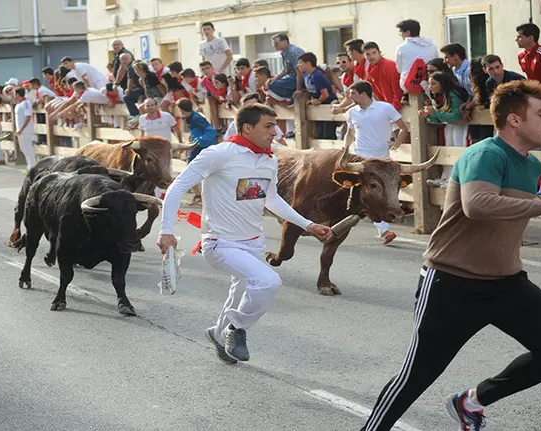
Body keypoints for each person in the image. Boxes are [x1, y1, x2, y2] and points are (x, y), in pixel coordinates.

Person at [360, 79, 541, 431]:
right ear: (514, 120)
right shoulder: (485, 154)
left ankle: (471, 402)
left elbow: (509, 208)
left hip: (506, 283)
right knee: (416, 377)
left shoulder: (528, 165)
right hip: (453, 284)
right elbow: (478, 205)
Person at [156, 104, 332, 363]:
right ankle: (235, 330)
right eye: (269, 126)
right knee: (268, 281)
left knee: (240, 292)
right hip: (220, 243)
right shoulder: (218, 154)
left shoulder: (268, 159)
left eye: (276, 125)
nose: (276, 131)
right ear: (247, 128)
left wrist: (307, 224)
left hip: (253, 242)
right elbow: (176, 187)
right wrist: (166, 230)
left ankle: (218, 334)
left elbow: (270, 198)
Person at [344, 80, 408, 243]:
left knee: (379, 194)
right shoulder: (352, 112)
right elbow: (350, 133)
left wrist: (398, 142)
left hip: (382, 160)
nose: (349, 96)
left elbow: (403, 127)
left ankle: (383, 229)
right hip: (360, 158)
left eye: (352, 93)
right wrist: (345, 148)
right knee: (352, 191)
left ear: (363, 94)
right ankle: (378, 228)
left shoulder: (385, 108)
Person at [421, 72, 469, 188]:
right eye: (430, 83)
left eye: (434, 84)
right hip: (449, 124)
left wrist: (435, 113)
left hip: (460, 125)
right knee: (448, 149)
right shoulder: (438, 96)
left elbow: (457, 116)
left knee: (457, 149)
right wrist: (428, 115)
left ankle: (457, 179)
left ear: (442, 84)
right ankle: (446, 177)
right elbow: (438, 119)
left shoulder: (452, 93)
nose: (430, 87)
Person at [298, 52, 337, 139]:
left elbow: (325, 94)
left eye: (300, 63)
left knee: (327, 134)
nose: (298, 65)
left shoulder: (317, 75)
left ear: (308, 63)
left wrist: (318, 101)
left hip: (328, 105)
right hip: (319, 107)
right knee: (319, 133)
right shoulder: (306, 75)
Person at [395, 19, 439, 93]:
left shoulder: (401, 48)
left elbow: (399, 69)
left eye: (401, 32)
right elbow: (437, 61)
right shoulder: (431, 44)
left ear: (408, 33)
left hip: (409, 87)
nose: (401, 35)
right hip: (431, 85)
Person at [267, 34, 305, 102]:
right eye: (273, 44)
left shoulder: (293, 52)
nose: (274, 46)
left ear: (285, 42)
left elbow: (300, 72)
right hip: (293, 78)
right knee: (271, 84)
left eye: (276, 43)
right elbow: (286, 70)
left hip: (302, 78)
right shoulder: (285, 52)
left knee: (274, 85)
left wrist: (298, 90)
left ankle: (291, 98)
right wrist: (275, 79)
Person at [14, 87, 37, 172]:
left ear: (17, 94)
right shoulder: (18, 104)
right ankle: (29, 166)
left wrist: (22, 129)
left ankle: (32, 167)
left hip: (26, 130)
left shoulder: (26, 103)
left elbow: (28, 117)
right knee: (23, 149)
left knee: (28, 148)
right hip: (20, 131)